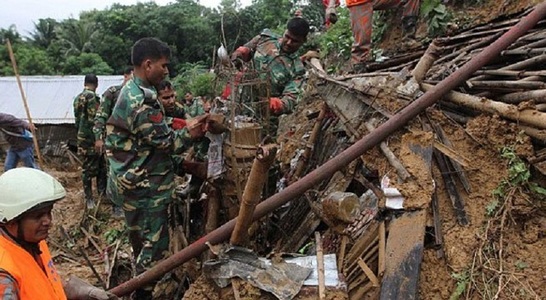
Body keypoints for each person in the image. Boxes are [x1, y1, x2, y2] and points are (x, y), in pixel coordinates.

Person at [105, 37, 210, 299]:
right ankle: (143, 294)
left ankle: (140, 288)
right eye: (163, 66)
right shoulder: (142, 100)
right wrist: (192, 132)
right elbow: (166, 143)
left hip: (132, 183)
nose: (166, 71)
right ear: (148, 64)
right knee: (154, 250)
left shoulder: (131, 91)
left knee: (140, 243)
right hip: (146, 189)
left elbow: (146, 142)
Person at [0, 167, 117, 300]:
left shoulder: (34, 243)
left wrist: (71, 291)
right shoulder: (4, 276)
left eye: (48, 212)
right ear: (10, 221)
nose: (48, 221)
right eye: (38, 216)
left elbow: (40, 284)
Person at [230, 16, 310, 133]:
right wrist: (240, 53)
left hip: (261, 122)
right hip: (237, 104)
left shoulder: (298, 70)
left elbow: (291, 98)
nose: (288, 42)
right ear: (284, 31)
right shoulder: (265, 39)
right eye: (287, 37)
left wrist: (278, 104)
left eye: (295, 41)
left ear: (303, 41)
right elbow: (246, 49)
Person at [334, 0, 421, 73]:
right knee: (362, 37)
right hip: (359, 2)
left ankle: (408, 39)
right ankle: (359, 63)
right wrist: (331, 6)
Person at [73, 74, 107, 210]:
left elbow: (77, 120)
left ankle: (95, 196)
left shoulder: (77, 98)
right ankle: (93, 197)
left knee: (92, 166)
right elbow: (95, 119)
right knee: (96, 166)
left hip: (81, 137)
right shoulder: (93, 97)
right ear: (96, 84)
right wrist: (99, 137)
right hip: (92, 138)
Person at [93, 67, 134, 153]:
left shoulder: (139, 95)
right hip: (113, 142)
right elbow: (101, 116)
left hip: (133, 143)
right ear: (126, 76)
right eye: (132, 77)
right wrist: (99, 138)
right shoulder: (113, 92)